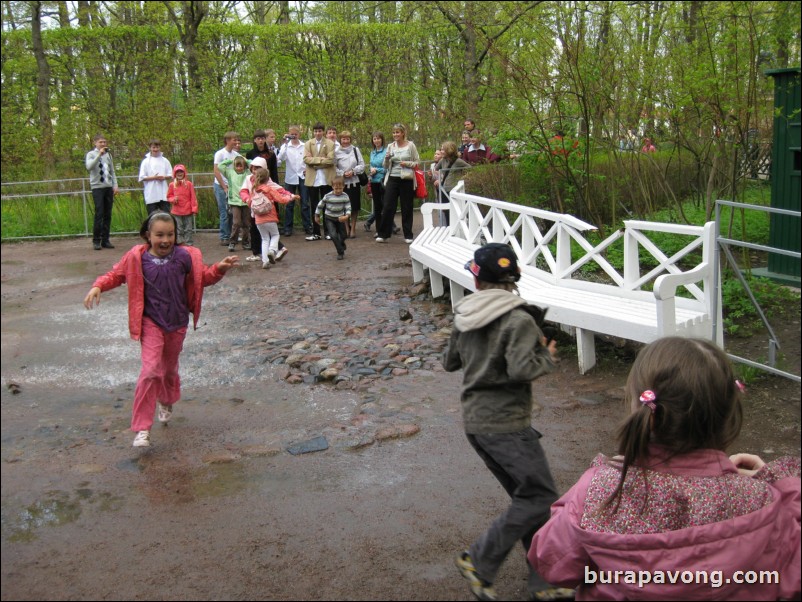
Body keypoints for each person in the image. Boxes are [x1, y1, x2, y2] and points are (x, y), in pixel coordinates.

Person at [529, 337, 802, 601]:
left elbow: (551, 563)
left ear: (641, 406)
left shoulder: (603, 491)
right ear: (728, 413)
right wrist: (783, 487)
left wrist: (595, 483)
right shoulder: (763, 503)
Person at [443, 243, 568, 602]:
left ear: (477, 279)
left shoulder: (465, 312)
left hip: (476, 423)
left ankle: (545, 583)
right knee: (541, 496)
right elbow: (522, 370)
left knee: (526, 498)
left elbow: (450, 362)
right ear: (514, 278)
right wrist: (545, 354)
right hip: (507, 425)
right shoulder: (519, 319)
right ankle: (478, 560)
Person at [83, 212, 238, 448]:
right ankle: (142, 428)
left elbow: (201, 278)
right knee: (150, 371)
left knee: (167, 370)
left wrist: (219, 269)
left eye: (170, 234)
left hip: (177, 322)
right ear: (148, 234)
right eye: (159, 235)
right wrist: (98, 286)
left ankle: (166, 400)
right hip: (150, 322)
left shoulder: (185, 256)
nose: (165, 240)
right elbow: (116, 274)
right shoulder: (137, 257)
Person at [240, 167, 298, 270]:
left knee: (264, 239)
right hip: (270, 217)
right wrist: (292, 197)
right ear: (267, 179)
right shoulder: (269, 189)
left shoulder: (253, 190)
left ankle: (265, 261)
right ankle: (272, 251)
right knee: (275, 235)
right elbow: (281, 199)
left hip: (258, 220)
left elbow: (249, 202)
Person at [377, 123, 420, 244]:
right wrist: (386, 158)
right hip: (392, 178)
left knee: (407, 206)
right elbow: (385, 166)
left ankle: (408, 235)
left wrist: (407, 163)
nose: (395, 134)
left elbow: (417, 162)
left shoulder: (410, 145)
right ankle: (384, 234)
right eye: (394, 132)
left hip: (406, 179)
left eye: (398, 132)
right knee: (388, 206)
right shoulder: (390, 146)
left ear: (403, 133)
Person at [85, 133, 119, 251]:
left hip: (108, 187)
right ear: (95, 143)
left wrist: (115, 185)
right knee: (99, 213)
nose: (103, 144)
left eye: (104, 142)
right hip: (97, 187)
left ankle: (106, 240)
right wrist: (99, 155)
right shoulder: (91, 154)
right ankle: (96, 240)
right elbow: (89, 167)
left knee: (107, 214)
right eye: (100, 142)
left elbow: (112, 171)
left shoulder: (108, 155)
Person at [303, 122, 336, 241]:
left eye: (320, 131)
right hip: (313, 179)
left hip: (326, 178)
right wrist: (321, 159)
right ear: (313, 132)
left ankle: (328, 231)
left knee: (327, 205)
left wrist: (315, 162)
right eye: (316, 131)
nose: (318, 133)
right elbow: (306, 159)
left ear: (323, 131)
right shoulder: (308, 143)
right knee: (314, 205)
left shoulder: (330, 143)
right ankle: (316, 232)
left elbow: (331, 160)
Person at [277, 125, 308, 237]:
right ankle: (288, 228)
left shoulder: (304, 146)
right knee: (289, 203)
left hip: (302, 176)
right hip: (290, 177)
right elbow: (281, 158)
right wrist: (285, 143)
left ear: (299, 134)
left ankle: (307, 226)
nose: (294, 136)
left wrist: (306, 169)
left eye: (295, 134)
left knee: (305, 203)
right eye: (292, 134)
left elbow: (307, 159)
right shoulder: (286, 146)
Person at [334, 130, 366, 239]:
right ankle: (346, 227)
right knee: (344, 206)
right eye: (343, 139)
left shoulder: (355, 150)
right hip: (342, 183)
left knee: (354, 206)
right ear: (340, 140)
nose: (346, 141)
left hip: (354, 181)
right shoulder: (337, 152)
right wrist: (342, 173)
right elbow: (334, 167)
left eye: (347, 139)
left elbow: (362, 165)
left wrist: (353, 171)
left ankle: (353, 228)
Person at [217, 156, 251, 252]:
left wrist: (246, 159)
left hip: (245, 201)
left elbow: (253, 165)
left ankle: (246, 242)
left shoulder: (247, 174)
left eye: (241, 166)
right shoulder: (230, 173)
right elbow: (220, 166)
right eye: (237, 166)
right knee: (236, 223)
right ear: (234, 166)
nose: (239, 168)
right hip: (234, 202)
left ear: (244, 166)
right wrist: (231, 160)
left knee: (246, 223)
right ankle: (233, 241)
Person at [213, 131, 242, 247]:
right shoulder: (220, 154)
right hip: (220, 186)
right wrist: (224, 187)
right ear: (227, 141)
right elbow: (216, 171)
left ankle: (232, 235)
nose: (236, 142)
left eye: (236, 139)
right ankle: (224, 237)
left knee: (232, 212)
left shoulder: (235, 155)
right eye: (233, 140)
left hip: (232, 187)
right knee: (224, 212)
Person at [434, 141, 471, 227]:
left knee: (457, 212)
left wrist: (462, 179)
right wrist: (439, 179)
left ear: (449, 150)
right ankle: (449, 229)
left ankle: (459, 230)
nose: (441, 151)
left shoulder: (458, 161)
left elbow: (470, 169)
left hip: (454, 190)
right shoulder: (443, 160)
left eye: (443, 149)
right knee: (447, 212)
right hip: (444, 190)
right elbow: (436, 169)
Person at [315, 176, 351, 260]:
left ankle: (341, 243)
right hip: (329, 218)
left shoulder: (345, 196)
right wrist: (316, 215)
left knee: (344, 235)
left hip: (340, 218)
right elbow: (320, 205)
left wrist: (347, 216)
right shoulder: (328, 196)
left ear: (343, 186)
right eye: (336, 188)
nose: (338, 190)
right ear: (332, 187)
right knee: (333, 235)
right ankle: (340, 252)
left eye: (340, 188)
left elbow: (348, 207)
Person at [166, 164, 198, 246]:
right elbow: (169, 196)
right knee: (178, 229)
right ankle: (180, 245)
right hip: (176, 211)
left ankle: (189, 245)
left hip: (188, 210)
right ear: (174, 174)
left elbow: (193, 197)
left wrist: (194, 209)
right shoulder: (172, 185)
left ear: (184, 173)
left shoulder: (189, 184)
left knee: (188, 229)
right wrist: (173, 199)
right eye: (177, 172)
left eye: (181, 172)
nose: (179, 174)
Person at [138, 140, 172, 215]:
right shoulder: (145, 161)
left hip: (163, 193)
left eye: (157, 147)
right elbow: (142, 177)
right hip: (151, 193)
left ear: (160, 147)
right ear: (150, 148)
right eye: (153, 147)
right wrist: (154, 178)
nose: (155, 149)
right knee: (152, 217)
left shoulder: (165, 160)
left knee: (166, 216)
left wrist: (164, 177)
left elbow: (170, 175)